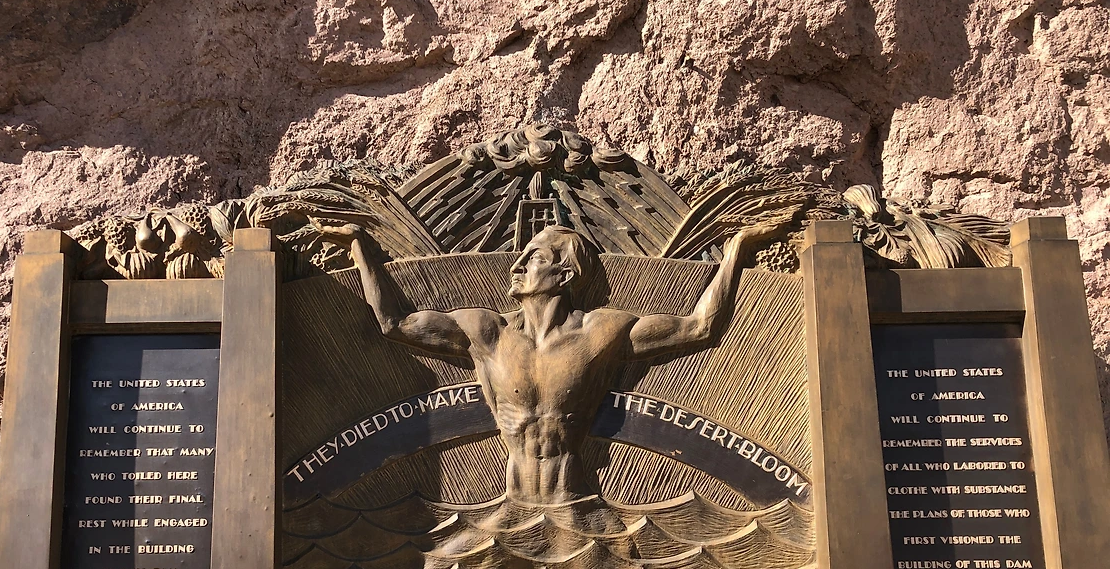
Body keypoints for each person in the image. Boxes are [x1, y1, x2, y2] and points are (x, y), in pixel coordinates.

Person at [315, 216, 793, 505]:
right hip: (513, 504)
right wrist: (360, 248)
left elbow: (700, 328)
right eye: (521, 257)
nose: (517, 266)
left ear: (565, 273)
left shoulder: (602, 332)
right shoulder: (487, 333)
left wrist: (737, 249)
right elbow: (395, 324)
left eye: (534, 258)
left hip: (575, 502)